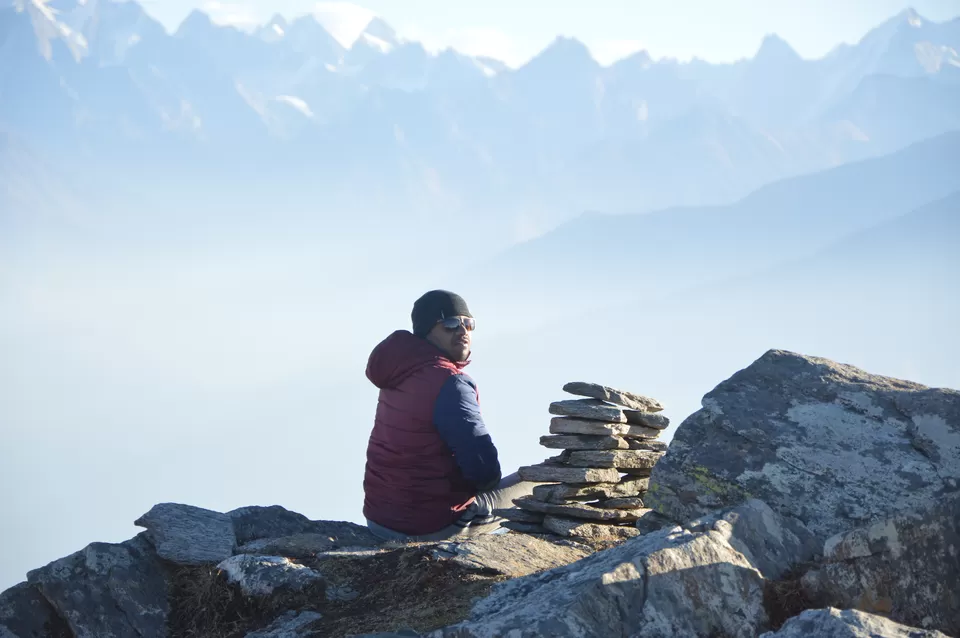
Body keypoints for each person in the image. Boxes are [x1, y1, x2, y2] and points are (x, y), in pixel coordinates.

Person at [363, 289, 535, 541]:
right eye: (451, 324)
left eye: (469, 324)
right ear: (426, 331)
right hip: (432, 525)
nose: (463, 331)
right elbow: (484, 473)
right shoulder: (450, 383)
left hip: (380, 521)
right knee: (543, 480)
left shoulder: (401, 369)